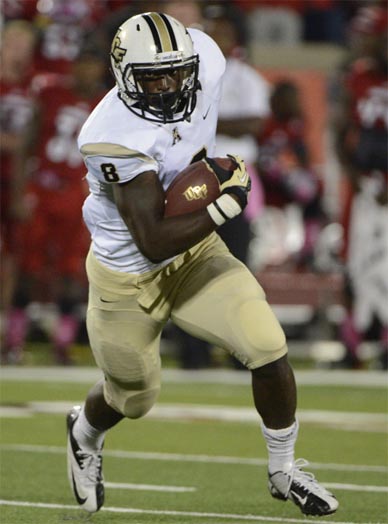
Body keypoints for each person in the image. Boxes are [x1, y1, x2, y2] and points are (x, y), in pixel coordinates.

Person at [66, 12, 338, 517]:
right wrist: (222, 204)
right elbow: (150, 239)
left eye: (176, 72)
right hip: (129, 275)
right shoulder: (109, 135)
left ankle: (284, 468)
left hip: (194, 256)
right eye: (153, 77)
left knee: (266, 344)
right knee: (134, 397)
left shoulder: (207, 59)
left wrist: (212, 192)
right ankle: (84, 430)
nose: (169, 85)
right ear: (124, 76)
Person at [4, 43, 108, 365]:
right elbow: (27, 145)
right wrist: (20, 192)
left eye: (93, 64)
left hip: (79, 195)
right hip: (44, 188)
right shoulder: (49, 94)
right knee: (28, 267)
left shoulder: (107, 104)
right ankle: (13, 341)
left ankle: (63, 345)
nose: (87, 71)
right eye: (83, 63)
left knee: (73, 270)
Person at [333, 5, 388, 369]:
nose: (363, 41)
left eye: (370, 34)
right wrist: (351, 172)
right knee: (352, 261)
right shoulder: (358, 75)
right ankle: (352, 345)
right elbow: (340, 130)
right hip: (363, 183)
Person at [257, 80, 326, 269]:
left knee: (314, 187)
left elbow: (302, 155)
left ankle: (309, 248)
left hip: (287, 176)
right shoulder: (267, 125)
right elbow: (262, 155)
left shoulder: (297, 124)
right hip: (268, 175)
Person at [0, 20, 38, 362]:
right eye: (13, 42)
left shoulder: (34, 86)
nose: (19, 50)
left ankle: (5, 332)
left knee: (13, 259)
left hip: (16, 179)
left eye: (25, 44)